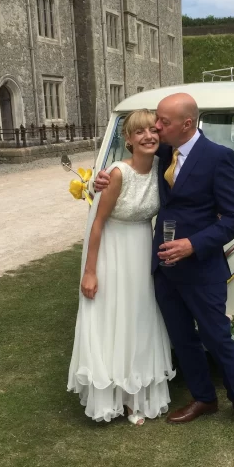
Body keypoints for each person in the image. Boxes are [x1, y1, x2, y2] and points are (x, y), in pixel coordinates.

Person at [95, 93, 234, 437]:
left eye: (163, 122)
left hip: (201, 269)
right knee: (183, 339)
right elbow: (132, 165)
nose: (156, 127)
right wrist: (102, 178)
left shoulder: (218, 157)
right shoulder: (165, 151)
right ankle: (203, 398)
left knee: (217, 337)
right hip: (163, 269)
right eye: (157, 120)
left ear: (188, 124)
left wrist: (193, 244)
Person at [68, 109, 174, 426]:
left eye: (152, 130)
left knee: (139, 316)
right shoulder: (116, 173)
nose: (148, 136)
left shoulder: (162, 169)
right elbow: (97, 223)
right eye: (138, 132)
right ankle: (113, 393)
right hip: (112, 251)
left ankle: (135, 394)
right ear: (128, 140)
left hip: (142, 248)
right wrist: (89, 271)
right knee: (113, 316)